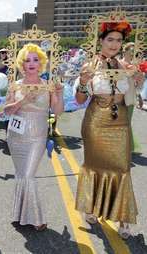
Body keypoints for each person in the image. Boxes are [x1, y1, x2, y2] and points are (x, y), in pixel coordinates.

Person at [75, 21, 144, 239]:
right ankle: (91, 207)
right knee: (95, 166)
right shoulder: (89, 66)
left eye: (119, 40)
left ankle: (123, 218)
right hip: (96, 121)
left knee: (122, 169)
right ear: (101, 41)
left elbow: (132, 95)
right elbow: (79, 100)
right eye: (110, 39)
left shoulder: (126, 67)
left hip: (120, 123)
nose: (115, 44)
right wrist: (84, 82)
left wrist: (138, 82)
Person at [4, 43, 63, 231]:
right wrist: (23, 100)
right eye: (27, 60)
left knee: (28, 174)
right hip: (15, 136)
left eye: (35, 60)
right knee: (22, 174)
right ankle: (19, 213)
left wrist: (59, 94)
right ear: (22, 63)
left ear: (41, 63)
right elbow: (5, 111)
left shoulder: (48, 86)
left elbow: (57, 111)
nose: (31, 63)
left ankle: (36, 217)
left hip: (37, 136)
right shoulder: (15, 85)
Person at [119, 42, 140, 152]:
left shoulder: (134, 64)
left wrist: (137, 75)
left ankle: (128, 147)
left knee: (127, 122)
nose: (132, 52)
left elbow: (137, 82)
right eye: (131, 50)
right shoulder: (118, 63)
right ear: (125, 51)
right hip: (119, 95)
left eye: (134, 50)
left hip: (130, 95)